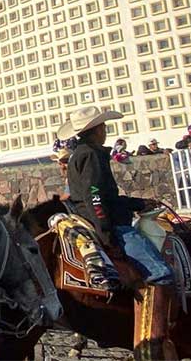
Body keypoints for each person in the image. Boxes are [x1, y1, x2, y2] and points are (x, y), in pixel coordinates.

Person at [62, 106, 172, 284]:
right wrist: (106, 235)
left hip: (101, 219)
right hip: (113, 226)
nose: (105, 130)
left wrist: (138, 204)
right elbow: (94, 196)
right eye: (104, 127)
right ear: (98, 130)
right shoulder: (91, 155)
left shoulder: (82, 154)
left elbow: (102, 196)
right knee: (161, 273)